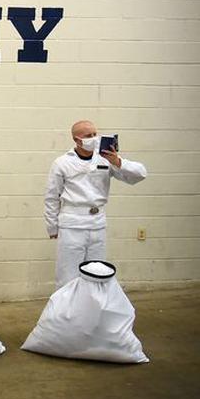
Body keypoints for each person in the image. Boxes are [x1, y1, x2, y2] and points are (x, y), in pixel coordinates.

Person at [45, 120, 147, 287]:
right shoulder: (62, 162)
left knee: (97, 272)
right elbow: (52, 196)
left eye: (95, 134)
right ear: (77, 140)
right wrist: (52, 226)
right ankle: (66, 313)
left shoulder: (106, 159)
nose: (94, 138)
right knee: (68, 274)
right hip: (72, 223)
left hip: (97, 223)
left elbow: (140, 174)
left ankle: (92, 310)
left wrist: (118, 161)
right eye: (88, 136)